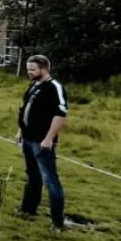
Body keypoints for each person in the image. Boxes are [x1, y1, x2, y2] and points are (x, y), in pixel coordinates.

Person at [16, 54, 69, 231]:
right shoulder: (33, 86)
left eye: (32, 69)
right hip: (27, 138)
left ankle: (57, 222)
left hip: (42, 142)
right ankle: (28, 209)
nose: (29, 72)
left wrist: (48, 138)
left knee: (50, 180)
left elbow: (60, 114)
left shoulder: (55, 87)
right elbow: (25, 110)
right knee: (32, 175)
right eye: (28, 69)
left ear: (44, 69)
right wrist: (20, 131)